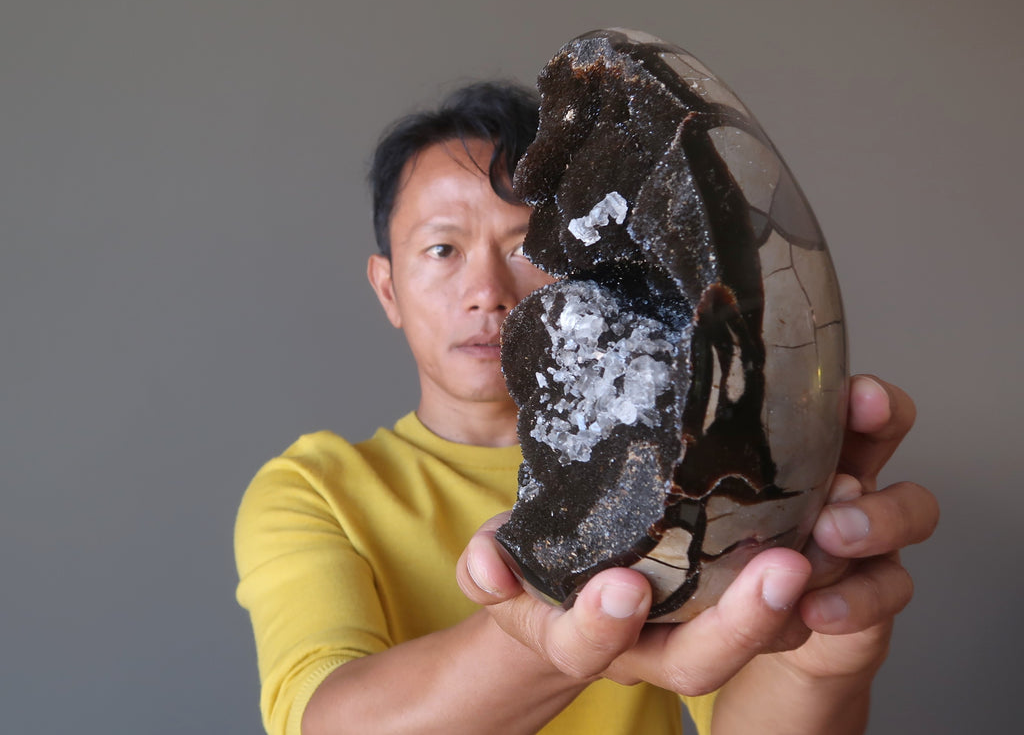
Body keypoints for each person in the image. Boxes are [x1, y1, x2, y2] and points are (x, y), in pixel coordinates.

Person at [234, 82, 939, 735]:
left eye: (524, 247)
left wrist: (822, 664)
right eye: (443, 249)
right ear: (387, 287)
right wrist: (555, 629)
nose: (486, 290)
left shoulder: (682, 461)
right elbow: (324, 720)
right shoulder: (314, 489)